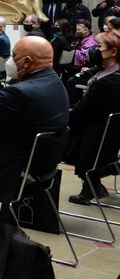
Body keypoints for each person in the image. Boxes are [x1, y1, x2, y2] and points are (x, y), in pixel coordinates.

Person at [0, 36, 69, 205]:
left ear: (27, 61)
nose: (10, 60)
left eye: (14, 56)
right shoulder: (55, 82)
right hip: (43, 164)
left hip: (9, 165)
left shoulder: (19, 92)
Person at [64, 31, 120, 204]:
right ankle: (92, 185)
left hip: (95, 136)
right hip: (107, 135)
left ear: (113, 52)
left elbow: (82, 112)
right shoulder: (110, 74)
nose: (94, 50)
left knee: (52, 135)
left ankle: (92, 183)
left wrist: (61, 116)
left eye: (99, 47)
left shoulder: (106, 83)